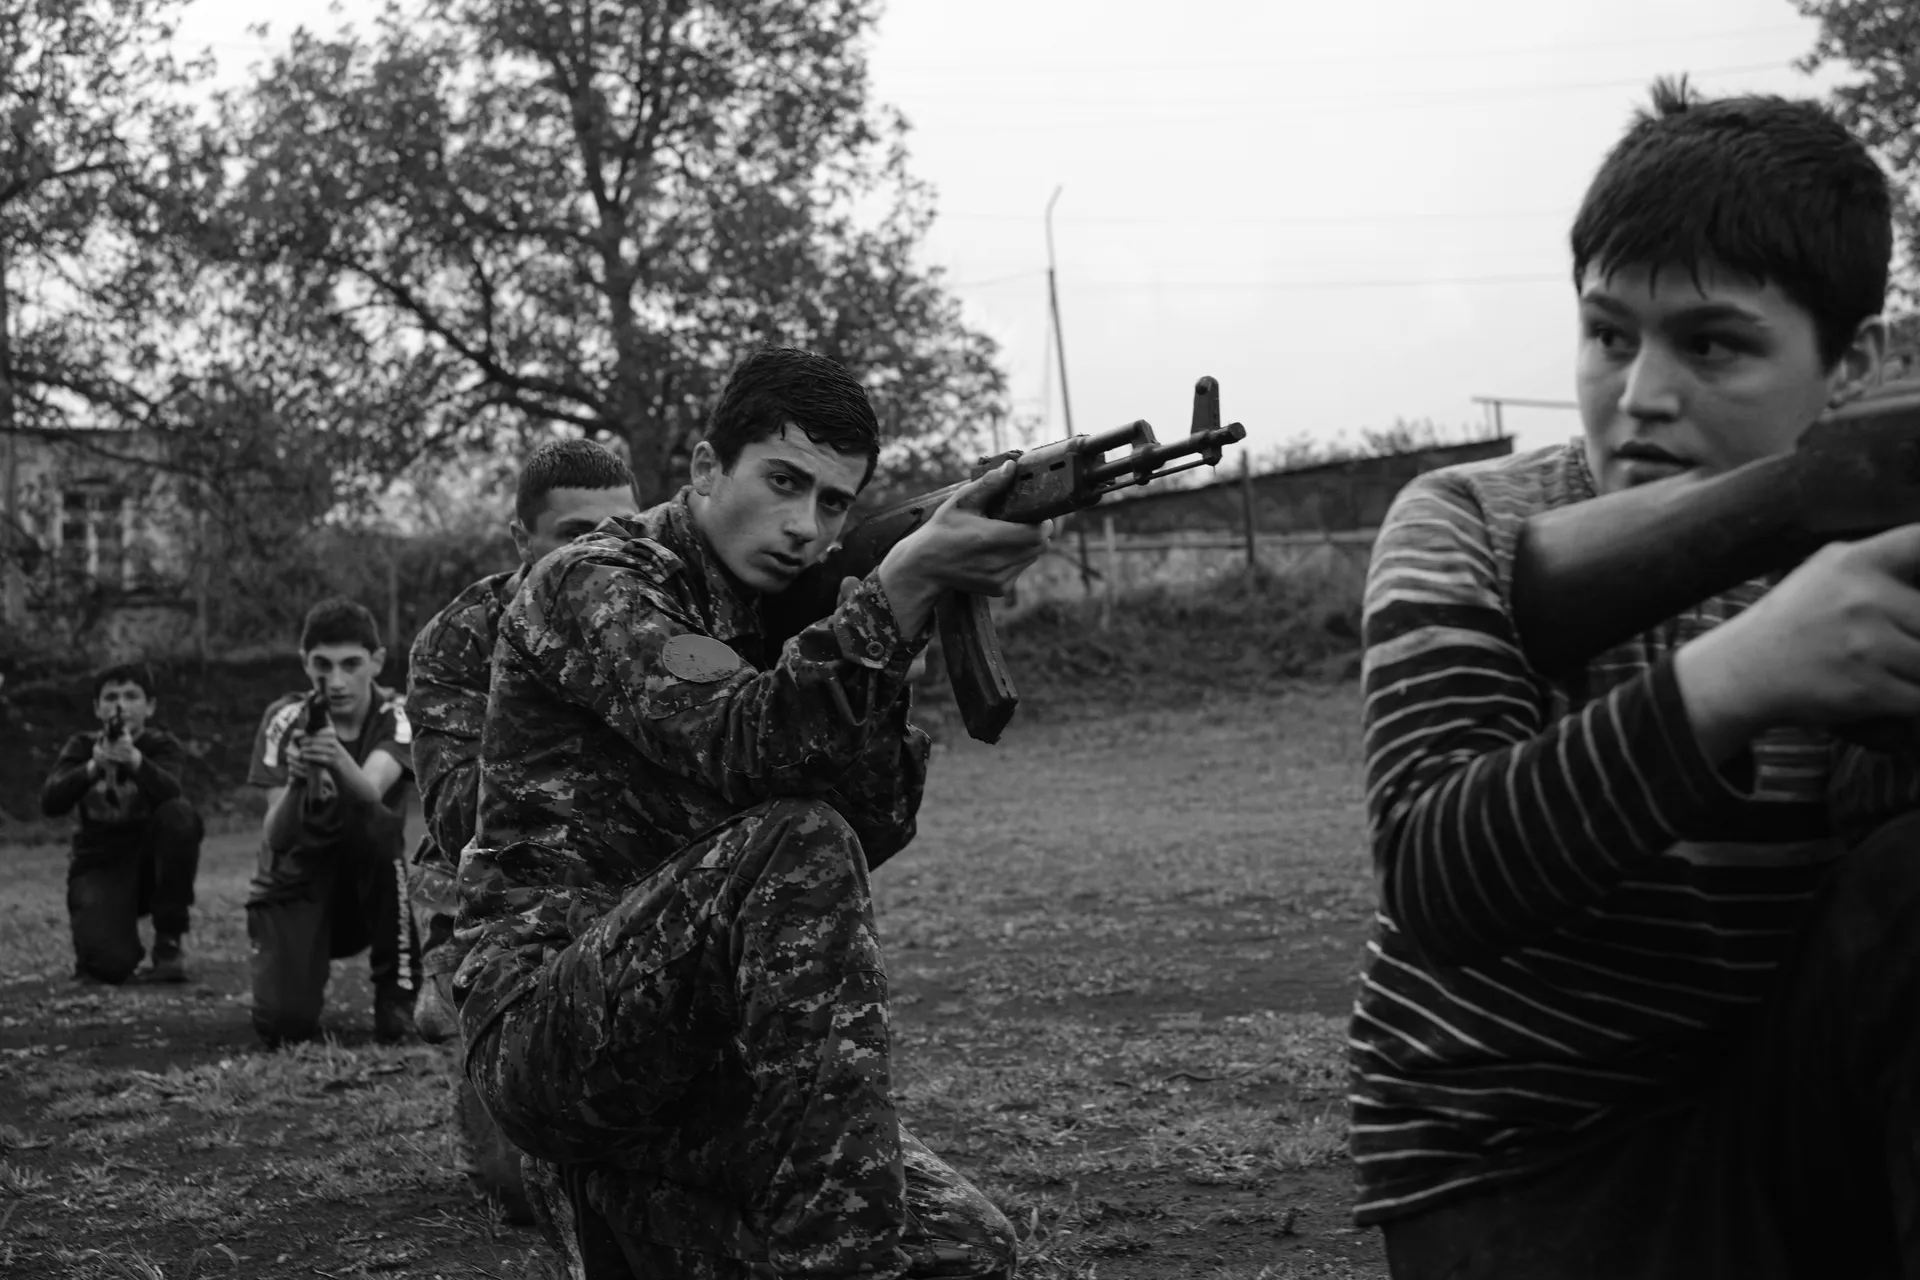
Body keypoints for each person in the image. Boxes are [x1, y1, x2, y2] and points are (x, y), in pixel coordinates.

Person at [1349, 81, 1920, 1279]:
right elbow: (1439, 876)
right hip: (1510, 1162)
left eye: (1711, 343)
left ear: (1855, 365)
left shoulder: (1871, 542)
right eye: (1610, 334)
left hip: (1777, 1124)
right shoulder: (1474, 523)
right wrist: (1751, 670)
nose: (1641, 393)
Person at [453, 347, 1048, 1278]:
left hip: (691, 1063)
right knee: (795, 841)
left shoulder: (781, 617)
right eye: (783, 481)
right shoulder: (598, 579)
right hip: (549, 1035)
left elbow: (876, 823)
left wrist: (881, 656)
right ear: (702, 468)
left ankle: (621, 1219)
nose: (804, 525)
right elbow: (743, 739)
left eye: (834, 503)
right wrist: (889, 604)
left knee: (967, 1251)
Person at [407, 437, 638, 1222]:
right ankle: (457, 993)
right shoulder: (458, 640)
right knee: (523, 1192)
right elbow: (458, 813)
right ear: (521, 542)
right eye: (577, 535)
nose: (604, 556)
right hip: (497, 899)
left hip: (627, 887)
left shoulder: (663, 612)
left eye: (623, 533)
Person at [245, 597, 420, 1048]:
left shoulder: (397, 715)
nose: (337, 681)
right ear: (305, 663)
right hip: (296, 885)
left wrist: (333, 756)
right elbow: (276, 835)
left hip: (364, 894)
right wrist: (300, 781)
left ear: (377, 662)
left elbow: (372, 790)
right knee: (284, 1026)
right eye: (323, 665)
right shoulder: (283, 719)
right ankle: (296, 964)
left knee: (379, 827)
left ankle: (397, 995)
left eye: (351, 664)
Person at [39, 663, 204, 985]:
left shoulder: (162, 746)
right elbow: (50, 802)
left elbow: (172, 791)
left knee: (180, 816)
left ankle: (169, 941)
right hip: (100, 865)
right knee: (108, 966)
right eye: (111, 697)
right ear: (97, 708)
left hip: (150, 864)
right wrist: (92, 767)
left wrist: (135, 761)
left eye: (132, 696)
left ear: (150, 706)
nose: (121, 705)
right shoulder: (81, 746)